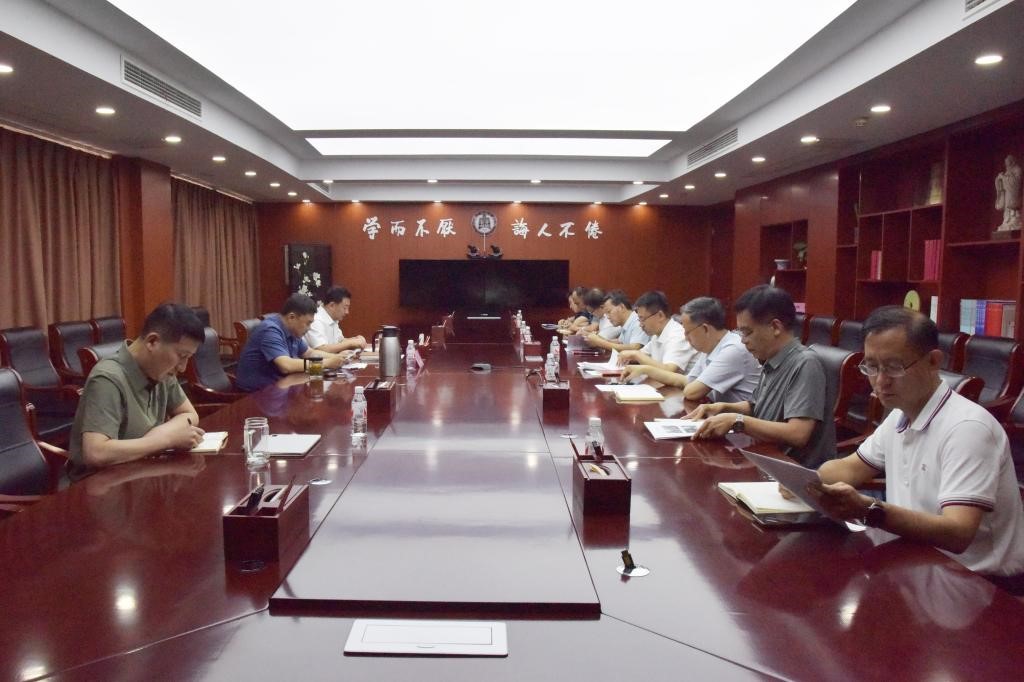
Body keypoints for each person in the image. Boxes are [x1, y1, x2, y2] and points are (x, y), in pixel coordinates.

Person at [810, 306, 1024, 580]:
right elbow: (851, 469)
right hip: (917, 561)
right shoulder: (901, 414)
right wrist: (805, 481)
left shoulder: (968, 428)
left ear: (934, 361)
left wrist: (871, 511)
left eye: (894, 367)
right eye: (871, 366)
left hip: (979, 582)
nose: (880, 381)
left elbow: (958, 533)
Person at [686, 285, 835, 468]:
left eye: (747, 332)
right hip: (764, 457)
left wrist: (737, 421)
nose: (743, 340)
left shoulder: (805, 364)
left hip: (793, 470)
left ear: (775, 327)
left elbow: (798, 433)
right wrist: (724, 408)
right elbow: (757, 406)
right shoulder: (771, 358)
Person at [67, 303, 206, 481]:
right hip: (102, 485)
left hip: (143, 473)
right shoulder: (108, 378)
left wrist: (159, 434)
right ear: (152, 341)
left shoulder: (162, 371)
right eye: (182, 356)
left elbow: (189, 414)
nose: (183, 367)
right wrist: (167, 440)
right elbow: (96, 453)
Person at [623, 296, 760, 403]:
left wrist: (689, 385)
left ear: (705, 329)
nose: (685, 337)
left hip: (739, 427)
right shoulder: (711, 348)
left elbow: (692, 392)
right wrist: (645, 370)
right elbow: (685, 381)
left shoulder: (733, 349)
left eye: (688, 332)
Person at [236, 293, 345, 392]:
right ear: (292, 317)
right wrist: (325, 364)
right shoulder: (270, 330)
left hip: (280, 386)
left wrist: (339, 358)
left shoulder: (292, 330)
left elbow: (309, 352)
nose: (309, 328)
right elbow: (286, 366)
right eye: (307, 323)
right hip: (256, 394)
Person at [617, 290, 696, 375]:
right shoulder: (657, 335)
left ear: (660, 316)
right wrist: (629, 356)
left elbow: (668, 371)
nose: (640, 325)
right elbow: (642, 354)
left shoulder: (677, 335)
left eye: (642, 319)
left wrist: (635, 355)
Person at [304, 285, 366, 354]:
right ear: (332, 305)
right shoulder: (316, 320)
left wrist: (355, 339)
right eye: (345, 308)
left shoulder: (333, 319)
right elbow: (322, 349)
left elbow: (340, 341)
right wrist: (351, 343)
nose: (347, 312)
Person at [584, 290, 649, 352]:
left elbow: (634, 348)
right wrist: (596, 341)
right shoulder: (626, 323)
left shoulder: (638, 322)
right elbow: (620, 343)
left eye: (609, 312)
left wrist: (599, 342)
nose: (608, 317)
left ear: (621, 307)